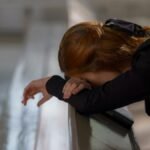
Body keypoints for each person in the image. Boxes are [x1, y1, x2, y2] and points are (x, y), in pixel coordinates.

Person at [22, 18, 150, 115]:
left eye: (88, 81)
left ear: (102, 63)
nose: (92, 89)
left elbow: (89, 103)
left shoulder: (145, 67)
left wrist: (51, 84)